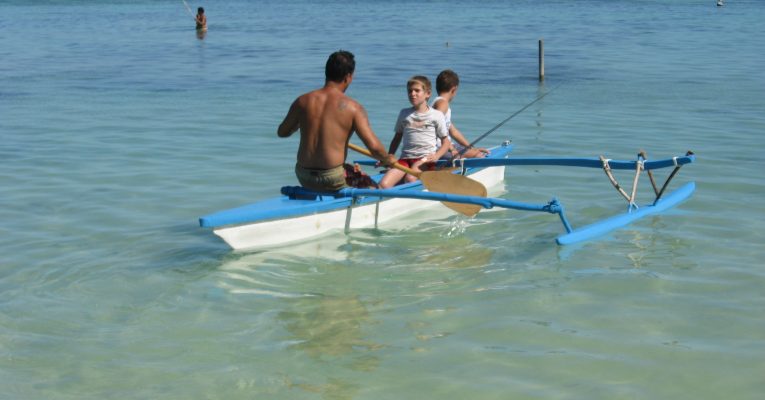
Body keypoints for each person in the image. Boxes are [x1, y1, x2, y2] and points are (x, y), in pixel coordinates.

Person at [278, 50, 396, 192]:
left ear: (326, 73)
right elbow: (375, 148)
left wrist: (302, 122)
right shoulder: (353, 108)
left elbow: (282, 132)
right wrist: (387, 159)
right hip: (333, 178)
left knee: (350, 169)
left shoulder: (302, 101)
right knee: (372, 186)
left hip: (303, 175)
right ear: (348, 77)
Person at [379, 75, 451, 189]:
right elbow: (397, 138)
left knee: (410, 178)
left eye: (417, 90)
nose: (412, 94)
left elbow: (446, 142)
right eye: (410, 91)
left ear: (428, 94)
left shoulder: (437, 115)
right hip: (405, 159)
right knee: (384, 184)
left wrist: (437, 156)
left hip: (425, 159)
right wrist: (390, 157)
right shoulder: (404, 114)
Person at [432, 69, 488, 159]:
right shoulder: (443, 103)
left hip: (444, 146)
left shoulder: (438, 103)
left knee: (474, 152)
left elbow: (453, 132)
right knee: (478, 156)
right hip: (440, 148)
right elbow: (434, 125)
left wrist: (471, 147)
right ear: (454, 89)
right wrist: (451, 148)